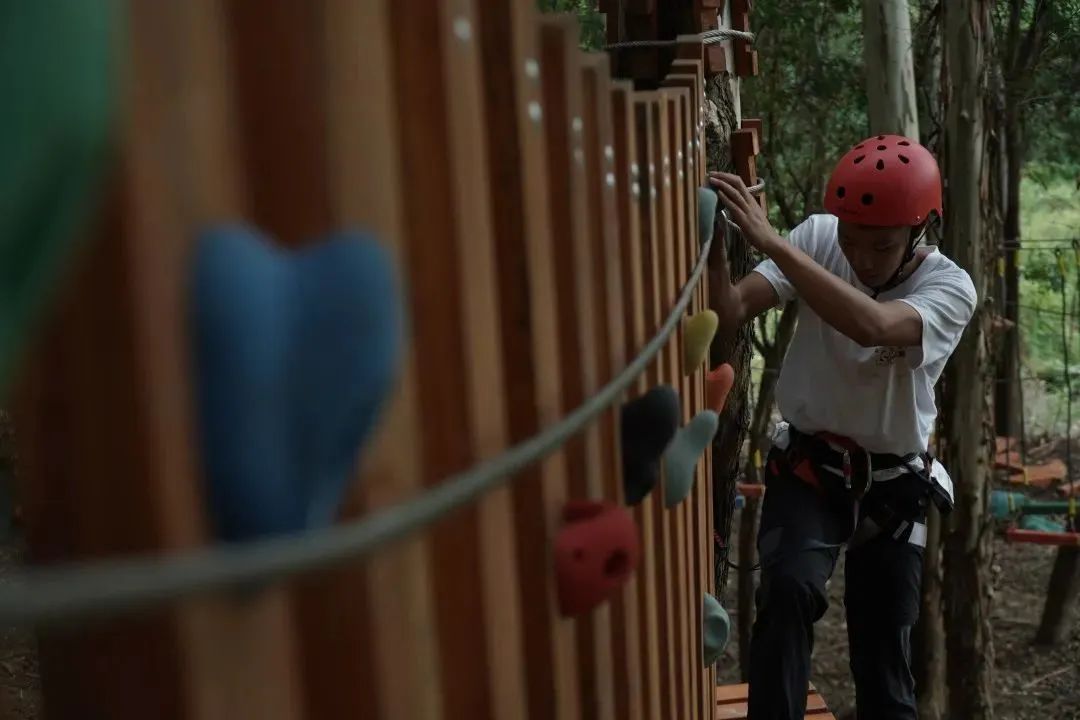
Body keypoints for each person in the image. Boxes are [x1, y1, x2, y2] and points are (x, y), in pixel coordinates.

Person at [708, 134, 977, 720]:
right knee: (787, 597)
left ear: (922, 229)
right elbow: (732, 308)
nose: (861, 258)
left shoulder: (950, 288)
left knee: (884, 660)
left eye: (881, 246)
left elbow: (874, 326)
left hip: (894, 486)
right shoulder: (818, 237)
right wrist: (711, 236)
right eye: (851, 240)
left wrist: (775, 245)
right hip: (809, 468)